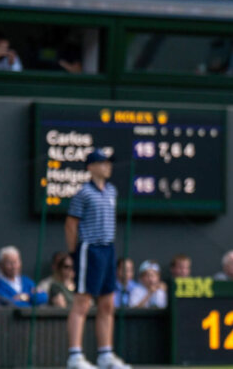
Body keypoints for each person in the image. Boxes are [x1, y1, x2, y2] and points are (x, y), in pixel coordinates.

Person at [65, 149, 130, 369]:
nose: (108, 167)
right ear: (91, 167)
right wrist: (74, 253)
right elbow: (71, 224)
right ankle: (75, 355)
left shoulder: (112, 191)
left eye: (108, 163)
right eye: (103, 163)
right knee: (82, 302)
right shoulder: (83, 193)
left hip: (108, 249)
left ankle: (105, 355)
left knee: (107, 304)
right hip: (89, 249)